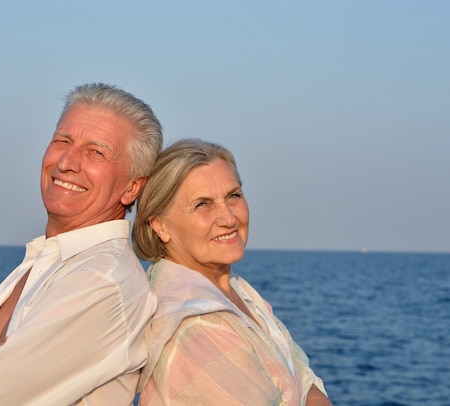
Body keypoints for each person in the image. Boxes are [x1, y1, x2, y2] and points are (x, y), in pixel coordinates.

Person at [0, 83, 163, 405]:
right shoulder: (52, 261)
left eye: (96, 152)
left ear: (132, 187)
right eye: (63, 140)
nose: (66, 163)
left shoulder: (102, 280)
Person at [132, 139, 332, 405]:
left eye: (233, 196)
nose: (228, 218)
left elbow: (302, 377)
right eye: (202, 204)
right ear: (159, 225)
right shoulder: (195, 327)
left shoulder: (235, 290)